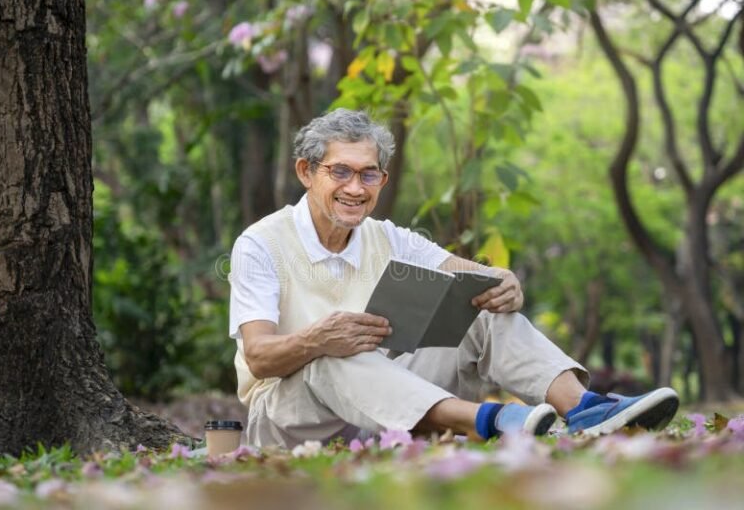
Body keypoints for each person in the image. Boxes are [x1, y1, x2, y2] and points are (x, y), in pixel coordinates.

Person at [228, 108, 679, 449]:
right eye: (339, 171)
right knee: (330, 355)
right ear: (306, 173)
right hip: (290, 417)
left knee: (480, 300)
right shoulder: (261, 243)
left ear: (382, 180)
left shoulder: (388, 237)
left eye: (368, 174)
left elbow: (469, 274)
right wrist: (317, 338)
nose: (355, 187)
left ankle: (583, 409)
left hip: (385, 405)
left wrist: (502, 280)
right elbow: (260, 356)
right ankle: (492, 420)